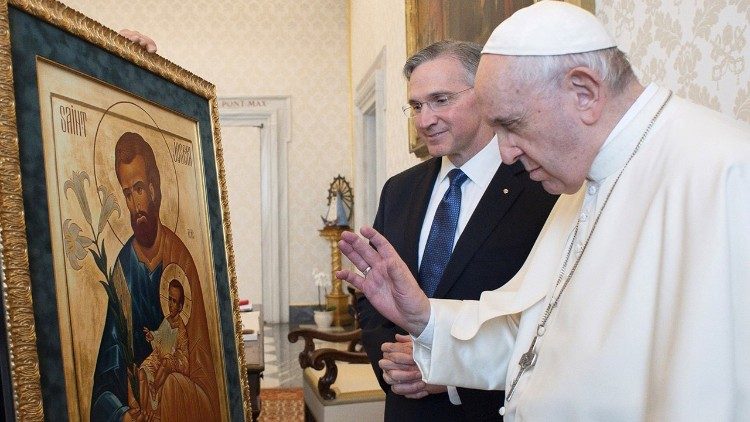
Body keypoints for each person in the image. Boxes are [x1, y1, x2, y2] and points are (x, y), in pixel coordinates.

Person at [337, 1, 750, 420]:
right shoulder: (581, 184)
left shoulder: (728, 173)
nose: (506, 151)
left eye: (512, 126)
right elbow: (533, 343)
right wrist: (425, 317)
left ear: (583, 92)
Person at [358, 40, 556, 421]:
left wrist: (449, 371)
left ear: (483, 95)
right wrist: (395, 363)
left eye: (440, 100)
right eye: (416, 106)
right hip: (405, 408)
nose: (424, 120)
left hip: (486, 409)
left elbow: (545, 319)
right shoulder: (399, 190)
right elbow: (374, 296)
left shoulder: (540, 188)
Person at [90, 132, 220, 421]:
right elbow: (108, 373)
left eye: (138, 189)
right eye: (127, 193)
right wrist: (121, 414)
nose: (135, 206)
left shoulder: (180, 260)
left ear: (153, 188)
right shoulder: (123, 269)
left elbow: (202, 369)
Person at [140, 278, 190, 418]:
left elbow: (182, 352)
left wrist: (174, 355)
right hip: (160, 355)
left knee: (167, 360)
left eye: (174, 301)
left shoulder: (181, 329)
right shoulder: (166, 320)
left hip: (176, 360)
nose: (170, 304)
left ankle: (154, 388)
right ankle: (143, 411)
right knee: (142, 370)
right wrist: (152, 336)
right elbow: (160, 336)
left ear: (180, 307)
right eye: (169, 299)